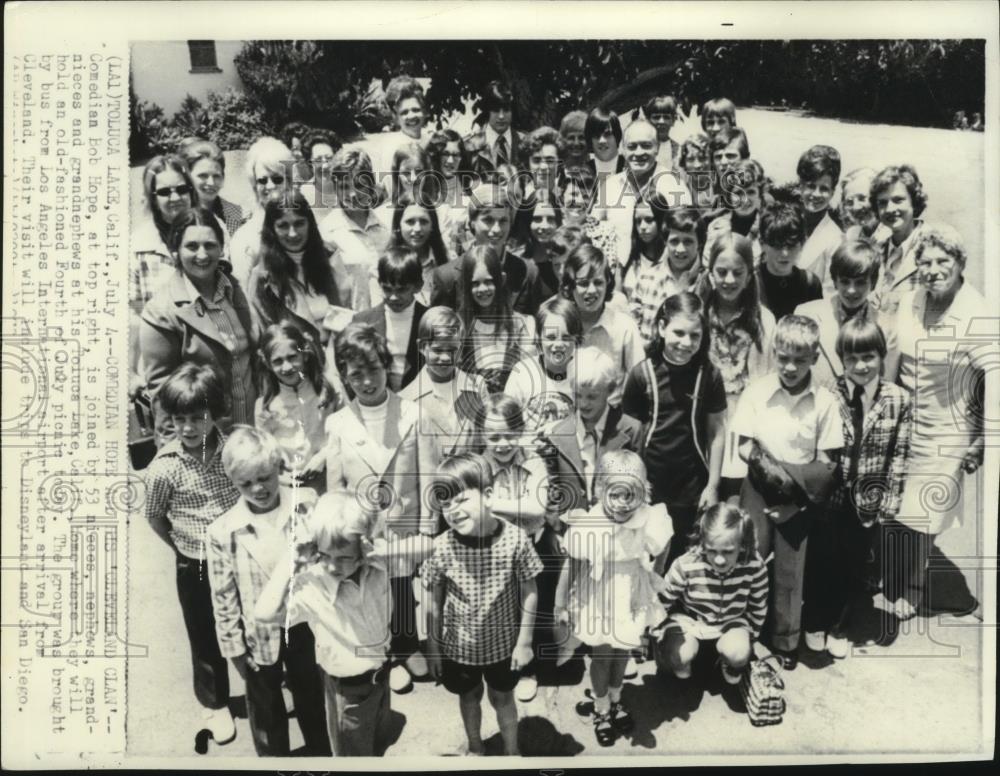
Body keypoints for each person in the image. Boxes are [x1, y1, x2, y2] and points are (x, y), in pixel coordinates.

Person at [255, 493, 429, 756]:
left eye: (344, 557)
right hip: (346, 692)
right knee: (353, 757)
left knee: (378, 744)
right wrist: (291, 559)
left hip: (380, 678)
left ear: (363, 549)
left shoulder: (379, 565)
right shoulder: (314, 585)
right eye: (325, 555)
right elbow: (264, 613)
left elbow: (429, 546)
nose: (333, 565)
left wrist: (383, 549)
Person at [207, 427, 330, 756]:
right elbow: (223, 598)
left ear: (279, 466)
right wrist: (233, 649)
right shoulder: (222, 531)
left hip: (305, 625)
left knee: (312, 695)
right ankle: (274, 759)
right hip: (258, 635)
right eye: (245, 483)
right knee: (265, 706)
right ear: (233, 482)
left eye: (264, 477)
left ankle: (322, 753)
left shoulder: (305, 505)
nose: (258, 489)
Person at [891, 224, 991, 620]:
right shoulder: (912, 298)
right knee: (899, 500)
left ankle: (915, 585)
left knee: (928, 508)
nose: (933, 269)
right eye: (925, 261)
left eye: (942, 261)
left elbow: (993, 379)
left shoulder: (976, 311)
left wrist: (981, 437)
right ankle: (892, 570)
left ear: (959, 263)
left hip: (950, 423)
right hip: (905, 417)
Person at [734, 315, 845, 669]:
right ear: (773, 353)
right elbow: (743, 446)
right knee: (749, 561)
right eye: (783, 357)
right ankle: (742, 634)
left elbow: (827, 461)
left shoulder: (825, 401)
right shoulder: (757, 391)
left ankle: (785, 639)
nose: (790, 366)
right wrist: (773, 477)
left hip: (801, 496)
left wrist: (795, 498)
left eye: (800, 359)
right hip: (758, 486)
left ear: (815, 358)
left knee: (789, 571)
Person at [325, 323, 429, 693]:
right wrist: (339, 534)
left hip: (403, 523)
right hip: (363, 529)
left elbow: (428, 473)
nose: (367, 382)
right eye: (356, 375)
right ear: (345, 378)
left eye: (374, 370)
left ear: (388, 367)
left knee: (401, 588)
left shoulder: (412, 414)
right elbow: (335, 489)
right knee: (371, 591)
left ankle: (406, 646)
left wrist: (428, 527)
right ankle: (384, 654)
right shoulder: (337, 423)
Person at [802, 317, 912, 658]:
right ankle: (815, 620)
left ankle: (840, 625)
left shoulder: (899, 399)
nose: (861, 366)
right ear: (842, 360)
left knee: (854, 564)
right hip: (831, 498)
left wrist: (889, 503)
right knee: (823, 561)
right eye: (852, 358)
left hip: (868, 500)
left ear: (881, 356)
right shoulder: (828, 395)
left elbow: (899, 455)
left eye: (869, 357)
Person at [143, 363, 240, 746]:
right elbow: (154, 517)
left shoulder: (234, 451)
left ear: (213, 413)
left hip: (238, 558)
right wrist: (183, 550)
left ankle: (264, 681)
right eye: (178, 418)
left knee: (248, 621)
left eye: (197, 418)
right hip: (194, 562)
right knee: (203, 633)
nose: (187, 427)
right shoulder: (163, 468)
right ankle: (215, 702)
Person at [424, 453, 543, 756]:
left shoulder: (515, 539)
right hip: (459, 649)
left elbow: (530, 588)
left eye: (461, 499)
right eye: (445, 502)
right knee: (468, 697)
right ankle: (476, 746)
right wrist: (434, 647)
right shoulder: (441, 546)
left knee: (503, 698)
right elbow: (434, 601)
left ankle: (512, 750)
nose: (452, 510)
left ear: (488, 495)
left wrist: (525, 641)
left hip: (504, 646)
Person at [555, 450, 671, 746]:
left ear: (642, 494)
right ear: (600, 491)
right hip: (599, 594)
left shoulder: (649, 518)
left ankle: (617, 698)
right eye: (614, 495)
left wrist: (654, 576)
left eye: (629, 496)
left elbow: (662, 546)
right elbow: (573, 563)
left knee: (623, 652)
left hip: (631, 593)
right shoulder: (592, 523)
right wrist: (561, 603)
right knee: (602, 655)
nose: (622, 503)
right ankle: (601, 707)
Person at [622, 292, 727, 567]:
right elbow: (628, 437)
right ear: (660, 328)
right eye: (678, 332)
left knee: (685, 561)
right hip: (651, 485)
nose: (685, 342)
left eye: (695, 336)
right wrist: (634, 481)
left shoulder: (710, 376)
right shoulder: (641, 375)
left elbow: (717, 432)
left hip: (692, 486)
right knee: (648, 558)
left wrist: (713, 486)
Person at [140, 208, 257, 428]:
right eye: (192, 246)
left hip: (254, 432)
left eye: (210, 245)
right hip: (207, 444)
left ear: (222, 248)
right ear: (175, 250)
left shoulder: (238, 290)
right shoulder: (160, 312)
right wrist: (176, 457)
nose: (202, 255)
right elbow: (163, 399)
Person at [472, 394, 553, 702]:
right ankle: (503, 662)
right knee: (500, 611)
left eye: (509, 434)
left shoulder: (534, 462)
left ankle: (530, 669)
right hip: (492, 550)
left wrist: (492, 504)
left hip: (531, 548)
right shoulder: (478, 464)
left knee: (531, 609)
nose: (502, 443)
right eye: (493, 437)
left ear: (520, 431)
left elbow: (536, 509)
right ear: (482, 435)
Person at [699, 232, 776, 497]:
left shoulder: (762, 320)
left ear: (749, 275)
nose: (729, 280)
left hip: (746, 419)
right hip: (707, 419)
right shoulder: (700, 314)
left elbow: (769, 378)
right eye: (721, 272)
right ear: (710, 273)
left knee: (737, 500)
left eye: (737, 272)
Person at [657, 503, 768, 685]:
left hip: (731, 621)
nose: (719, 559)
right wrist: (656, 630)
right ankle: (682, 660)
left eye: (727, 551)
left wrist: (751, 638)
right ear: (702, 542)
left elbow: (758, 604)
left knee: (739, 653)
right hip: (690, 620)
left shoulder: (754, 566)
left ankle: (728, 660)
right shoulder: (687, 564)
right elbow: (663, 599)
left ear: (742, 545)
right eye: (712, 550)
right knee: (679, 658)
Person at [536, 347, 644, 518]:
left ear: (610, 390)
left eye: (592, 396)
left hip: (617, 529)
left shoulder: (630, 430)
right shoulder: (557, 434)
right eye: (578, 395)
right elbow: (552, 488)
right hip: (571, 530)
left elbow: (638, 486)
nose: (584, 404)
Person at [399, 307, 488, 514]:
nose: (446, 358)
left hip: (473, 496)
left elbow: (486, 443)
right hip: (431, 503)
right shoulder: (407, 399)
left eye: (453, 350)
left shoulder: (476, 387)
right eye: (438, 350)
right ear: (422, 347)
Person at [130, 155, 200, 399]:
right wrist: (132, 373)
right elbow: (132, 315)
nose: (175, 198)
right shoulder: (138, 246)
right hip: (163, 369)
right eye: (164, 192)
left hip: (207, 364)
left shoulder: (212, 231)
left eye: (182, 189)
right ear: (152, 197)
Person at [794, 239, 900, 392]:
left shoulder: (887, 329)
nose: (851, 290)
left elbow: (886, 389)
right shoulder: (806, 315)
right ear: (835, 281)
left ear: (873, 282)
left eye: (860, 283)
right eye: (845, 282)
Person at [248, 192, 346, 345]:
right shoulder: (262, 277)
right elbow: (265, 337)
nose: (292, 234)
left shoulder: (330, 258)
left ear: (310, 223)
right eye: (283, 226)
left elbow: (346, 312)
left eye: (299, 223)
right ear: (272, 229)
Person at [254, 321, 340, 493]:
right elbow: (266, 450)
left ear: (304, 355)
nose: (286, 367)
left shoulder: (329, 390)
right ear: (268, 364)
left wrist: (323, 457)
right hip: (290, 486)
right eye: (278, 361)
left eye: (292, 357)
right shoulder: (265, 406)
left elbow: (344, 434)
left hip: (329, 475)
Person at [431, 182, 539, 315]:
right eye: (488, 220)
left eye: (503, 221)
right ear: (471, 223)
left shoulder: (528, 273)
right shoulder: (446, 277)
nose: (496, 229)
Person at [604, 119, 692, 270]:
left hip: (665, 276)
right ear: (623, 150)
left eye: (646, 145)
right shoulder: (610, 186)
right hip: (615, 277)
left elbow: (687, 235)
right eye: (632, 147)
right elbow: (593, 229)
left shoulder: (674, 186)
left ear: (657, 148)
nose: (639, 152)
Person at [561, 244, 644, 405]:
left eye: (598, 282)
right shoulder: (560, 326)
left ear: (608, 283)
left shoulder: (624, 326)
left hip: (611, 415)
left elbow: (639, 381)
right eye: (583, 283)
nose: (591, 291)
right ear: (570, 286)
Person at [455, 244, 536, 393]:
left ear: (502, 279)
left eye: (489, 281)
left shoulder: (523, 325)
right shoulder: (458, 326)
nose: (483, 289)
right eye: (475, 284)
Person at [319, 147, 391, 311]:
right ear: (336, 189)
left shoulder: (387, 225)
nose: (352, 194)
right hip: (353, 325)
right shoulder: (327, 233)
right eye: (344, 186)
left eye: (359, 185)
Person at [620, 198, 700, 346]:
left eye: (688, 241)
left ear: (699, 243)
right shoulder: (646, 279)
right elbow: (632, 334)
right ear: (665, 241)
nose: (680, 249)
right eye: (674, 241)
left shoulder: (706, 283)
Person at [353, 248, 428, 393]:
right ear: (379, 284)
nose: (393, 297)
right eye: (387, 289)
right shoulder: (363, 322)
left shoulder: (429, 320)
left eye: (401, 290)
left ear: (417, 286)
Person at [505, 297, 583, 430]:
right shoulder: (522, 372)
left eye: (566, 337)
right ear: (539, 337)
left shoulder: (585, 372)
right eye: (551, 337)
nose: (558, 345)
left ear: (576, 338)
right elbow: (507, 420)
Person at [230, 137, 296, 289]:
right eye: (262, 180)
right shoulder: (245, 239)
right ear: (254, 185)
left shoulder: (303, 228)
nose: (270, 186)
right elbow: (242, 300)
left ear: (289, 182)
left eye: (277, 179)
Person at [869, 164, 928, 315]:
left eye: (898, 200)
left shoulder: (934, 246)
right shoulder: (876, 248)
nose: (889, 209)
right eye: (882, 202)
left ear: (914, 202)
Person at [375, 191, 451, 306]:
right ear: (398, 226)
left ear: (432, 226)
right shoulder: (383, 265)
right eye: (410, 222)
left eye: (424, 221)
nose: (417, 228)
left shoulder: (447, 262)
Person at [755, 200, 823, 321]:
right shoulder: (751, 282)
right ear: (762, 244)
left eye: (791, 246)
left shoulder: (810, 284)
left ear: (802, 244)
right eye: (777, 246)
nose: (784, 254)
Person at [795, 145, 844, 293]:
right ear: (800, 186)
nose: (816, 194)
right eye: (810, 186)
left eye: (823, 189)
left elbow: (830, 291)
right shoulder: (787, 220)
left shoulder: (835, 239)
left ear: (832, 192)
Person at [702, 158, 766, 266]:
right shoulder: (717, 227)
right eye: (738, 193)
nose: (745, 199)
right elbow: (708, 266)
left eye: (751, 192)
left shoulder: (766, 228)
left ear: (759, 195)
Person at [558, 165, 619, 274]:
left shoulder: (605, 233)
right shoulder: (552, 227)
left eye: (586, 196)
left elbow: (609, 272)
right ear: (562, 197)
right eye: (574, 194)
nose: (579, 201)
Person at [178, 138, 246, 236]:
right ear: (187, 177)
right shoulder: (175, 212)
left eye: (216, 176)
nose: (211, 182)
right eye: (203, 175)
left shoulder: (239, 215)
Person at [465, 80, 526, 178]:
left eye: (506, 109)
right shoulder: (469, 147)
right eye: (496, 110)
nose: (501, 116)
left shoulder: (527, 143)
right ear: (487, 110)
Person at [375, 75, 428, 176]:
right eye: (404, 112)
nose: (411, 116)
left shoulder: (428, 141)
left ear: (424, 110)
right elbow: (390, 185)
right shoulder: (392, 146)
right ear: (396, 117)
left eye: (416, 110)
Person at [516, 190, 564, 301]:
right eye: (537, 219)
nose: (545, 225)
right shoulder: (517, 262)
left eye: (551, 219)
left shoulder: (564, 259)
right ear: (528, 222)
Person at [838, 167, 891, 245]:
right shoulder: (852, 235)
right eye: (849, 202)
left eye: (862, 198)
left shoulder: (892, 234)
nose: (856, 207)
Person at [521, 126, 564, 199]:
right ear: (527, 164)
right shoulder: (520, 199)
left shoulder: (567, 198)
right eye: (536, 160)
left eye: (550, 161)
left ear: (559, 164)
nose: (543, 166)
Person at [641, 94, 681, 171]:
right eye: (656, 117)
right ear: (648, 120)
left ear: (673, 121)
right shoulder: (640, 148)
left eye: (666, 117)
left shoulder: (679, 150)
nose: (661, 121)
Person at [584, 106, 625, 179]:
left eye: (607, 134)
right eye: (596, 135)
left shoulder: (632, 167)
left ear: (617, 135)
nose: (602, 140)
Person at [677, 133, 715, 209]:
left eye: (703, 158)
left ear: (711, 160)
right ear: (684, 163)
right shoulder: (680, 190)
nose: (697, 165)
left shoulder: (721, 189)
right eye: (691, 159)